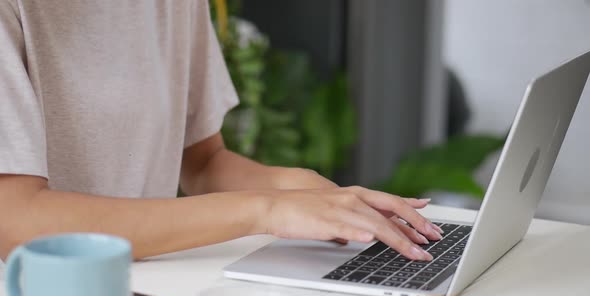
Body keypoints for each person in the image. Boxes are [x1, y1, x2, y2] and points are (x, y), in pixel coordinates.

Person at [0, 0, 441, 262]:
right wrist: (265, 209)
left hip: (144, 290)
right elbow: (14, 220)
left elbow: (204, 162)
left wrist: (306, 193)